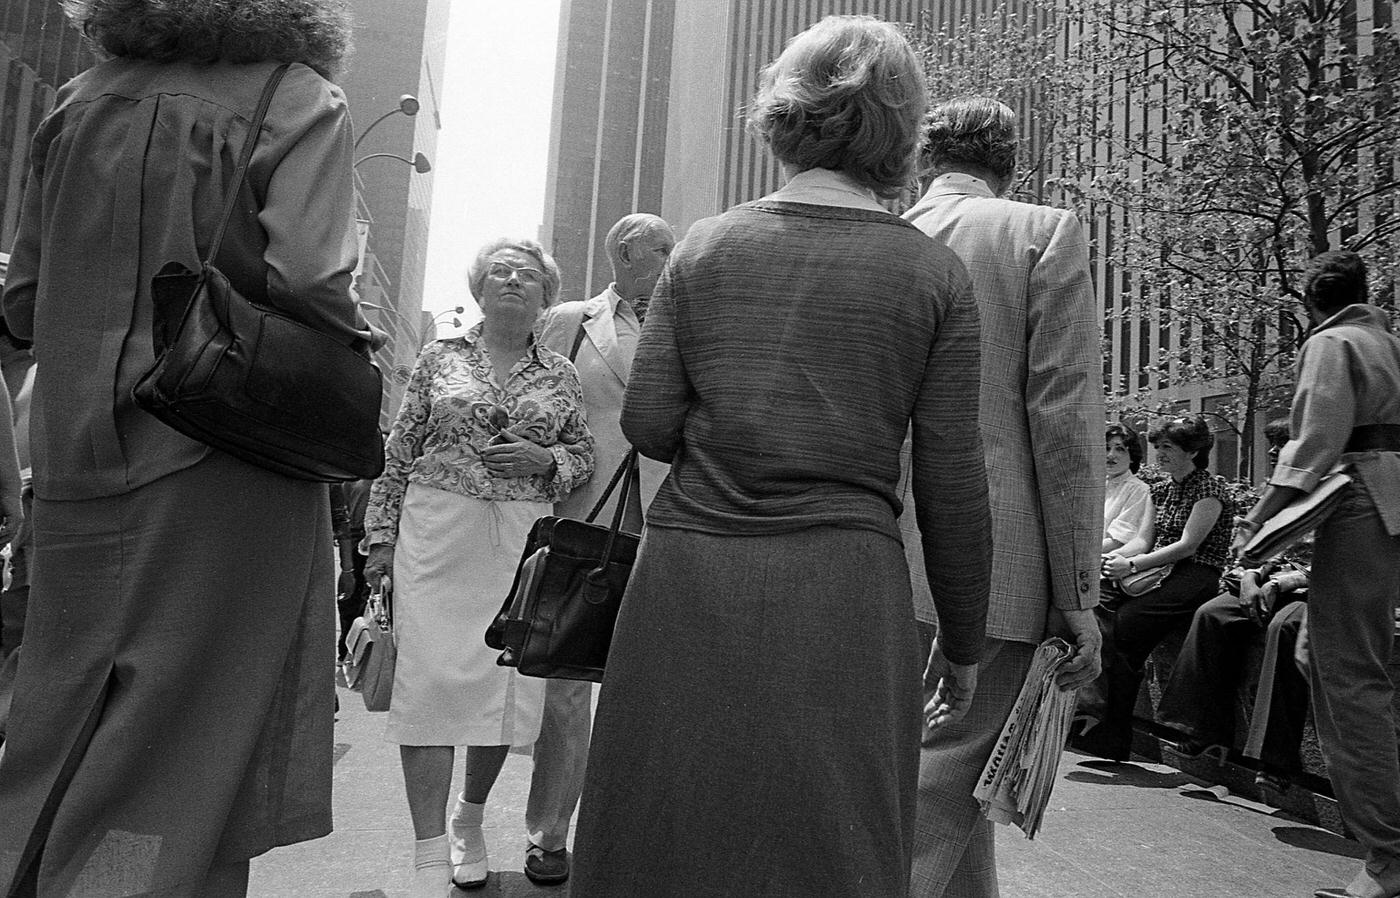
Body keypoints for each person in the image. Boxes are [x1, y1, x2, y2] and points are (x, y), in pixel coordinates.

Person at [571, 17, 993, 897]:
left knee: (664, 821)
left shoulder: (705, 247)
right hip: (844, 587)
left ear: (783, 114)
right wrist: (961, 642)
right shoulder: (931, 275)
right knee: (827, 836)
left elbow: (649, 424)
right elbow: (954, 484)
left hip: (689, 573)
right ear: (901, 129)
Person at [0, 1, 369, 893]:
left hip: (77, 459)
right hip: (225, 458)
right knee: (201, 732)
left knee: (55, 717)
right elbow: (314, 281)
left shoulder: (77, 101)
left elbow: (21, 304)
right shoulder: (297, 97)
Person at [897, 96, 1105, 898]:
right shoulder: (1042, 232)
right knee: (939, 786)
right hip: (998, 559)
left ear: (924, 160)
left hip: (880, 548)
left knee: (941, 779)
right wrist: (1077, 589)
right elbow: (1064, 421)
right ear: (1009, 165)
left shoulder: (886, 238)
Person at [361, 237, 594, 897]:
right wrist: (379, 537)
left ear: (546, 294)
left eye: (525, 274)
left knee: (498, 690)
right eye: (499, 271)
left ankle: (469, 820)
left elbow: (583, 453)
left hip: (520, 537)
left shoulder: (561, 373)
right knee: (431, 688)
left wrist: (546, 462)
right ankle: (430, 855)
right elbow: (399, 448)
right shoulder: (440, 357)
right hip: (437, 531)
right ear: (479, 288)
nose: (512, 280)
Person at [1230, 250, 1400, 898]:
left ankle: (1388, 856)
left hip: (1359, 504)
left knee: (1349, 675)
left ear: (1310, 302)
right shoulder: (1388, 341)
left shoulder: (1332, 343)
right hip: (1386, 509)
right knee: (1319, 655)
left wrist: (1259, 520)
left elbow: (1312, 444)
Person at [525, 212, 674, 885]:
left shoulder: (689, 315)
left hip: (672, 520)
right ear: (625, 253)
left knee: (649, 685)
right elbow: (530, 399)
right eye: (664, 247)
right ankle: (550, 835)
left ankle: (630, 836)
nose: (677, 255)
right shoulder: (566, 321)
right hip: (585, 513)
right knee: (564, 686)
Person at [1157, 419, 1312, 789]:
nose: (1273, 453)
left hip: (1306, 592)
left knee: (1284, 630)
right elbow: (1245, 554)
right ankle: (1206, 729)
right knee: (1212, 614)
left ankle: (1278, 761)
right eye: (1272, 445)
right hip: (1260, 583)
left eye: (1282, 445)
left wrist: (1277, 582)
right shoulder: (1274, 498)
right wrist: (1247, 579)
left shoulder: (1328, 495)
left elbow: (1330, 562)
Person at [1090, 416, 1236, 761]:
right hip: (1157, 571)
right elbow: (1143, 540)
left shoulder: (1210, 489)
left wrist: (1134, 565)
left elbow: (1188, 546)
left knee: (1123, 628)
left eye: (1167, 446)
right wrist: (1109, 561)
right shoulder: (1161, 488)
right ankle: (1110, 734)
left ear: (1193, 449)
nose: (1159, 453)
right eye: (1157, 446)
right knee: (1106, 619)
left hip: (1194, 576)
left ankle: (1114, 735)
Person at [1103, 422, 1153, 555]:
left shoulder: (1139, 490)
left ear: (1132, 456)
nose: (1110, 455)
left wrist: (1076, 553)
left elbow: (1118, 540)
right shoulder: (1093, 487)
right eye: (1106, 448)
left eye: (1119, 449)